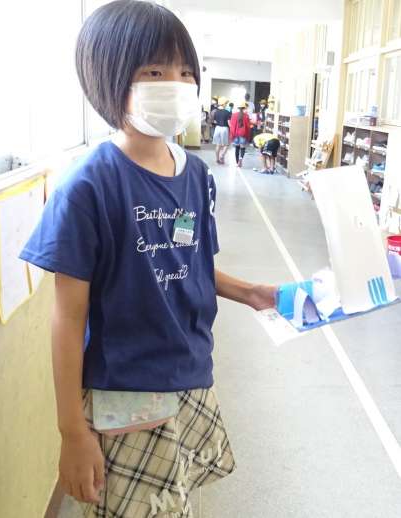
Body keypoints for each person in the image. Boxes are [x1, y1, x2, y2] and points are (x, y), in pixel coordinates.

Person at [19, 2, 276, 517]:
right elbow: (67, 317)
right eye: (155, 72)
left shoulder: (195, 175)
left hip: (190, 370)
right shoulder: (88, 186)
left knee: (175, 500)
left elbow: (188, 261)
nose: (175, 85)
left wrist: (248, 292)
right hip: (124, 390)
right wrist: (72, 430)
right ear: (110, 78)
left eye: (185, 72)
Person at [229, 101, 251, 167]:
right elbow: (248, 127)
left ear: (238, 108)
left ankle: (237, 162)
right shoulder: (246, 116)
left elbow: (232, 125)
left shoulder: (234, 115)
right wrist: (248, 136)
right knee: (242, 147)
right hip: (243, 134)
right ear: (244, 108)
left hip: (236, 134)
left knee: (237, 148)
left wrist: (232, 134)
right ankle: (241, 159)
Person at [212, 96, 231, 164]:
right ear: (223, 104)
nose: (226, 105)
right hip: (224, 129)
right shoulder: (227, 112)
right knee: (226, 144)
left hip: (217, 128)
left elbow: (215, 121)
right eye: (226, 103)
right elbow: (229, 123)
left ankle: (217, 159)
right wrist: (232, 129)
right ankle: (222, 156)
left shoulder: (216, 112)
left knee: (218, 145)